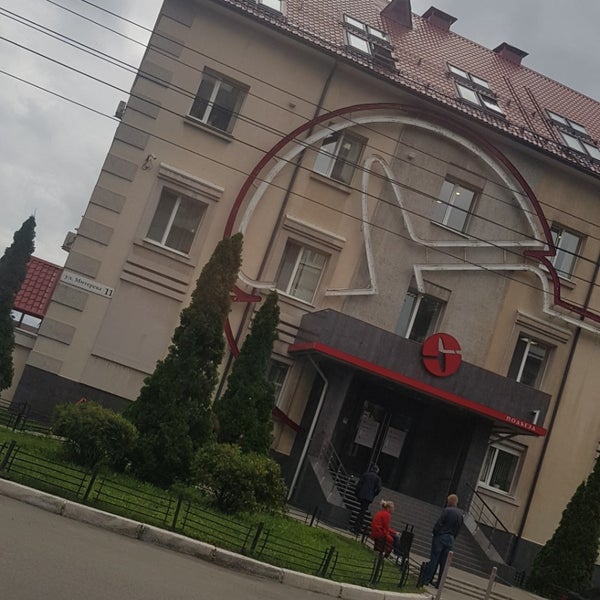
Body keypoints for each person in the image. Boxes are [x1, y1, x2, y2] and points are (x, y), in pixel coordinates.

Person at [421, 494, 464, 587]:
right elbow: (458, 529)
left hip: (441, 536)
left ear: (449, 501)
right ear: (456, 502)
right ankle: (439, 583)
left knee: (434, 558)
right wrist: (453, 537)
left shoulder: (447, 510)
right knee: (444, 562)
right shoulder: (460, 514)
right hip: (451, 539)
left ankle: (427, 579)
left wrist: (435, 532)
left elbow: (439, 523)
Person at [353, 464, 382, 534]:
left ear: (371, 469)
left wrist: (357, 493)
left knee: (361, 511)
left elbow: (359, 484)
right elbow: (379, 489)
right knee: (362, 512)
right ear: (377, 471)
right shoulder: (377, 478)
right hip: (368, 497)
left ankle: (356, 527)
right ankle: (357, 528)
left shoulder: (365, 475)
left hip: (361, 495)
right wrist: (373, 495)